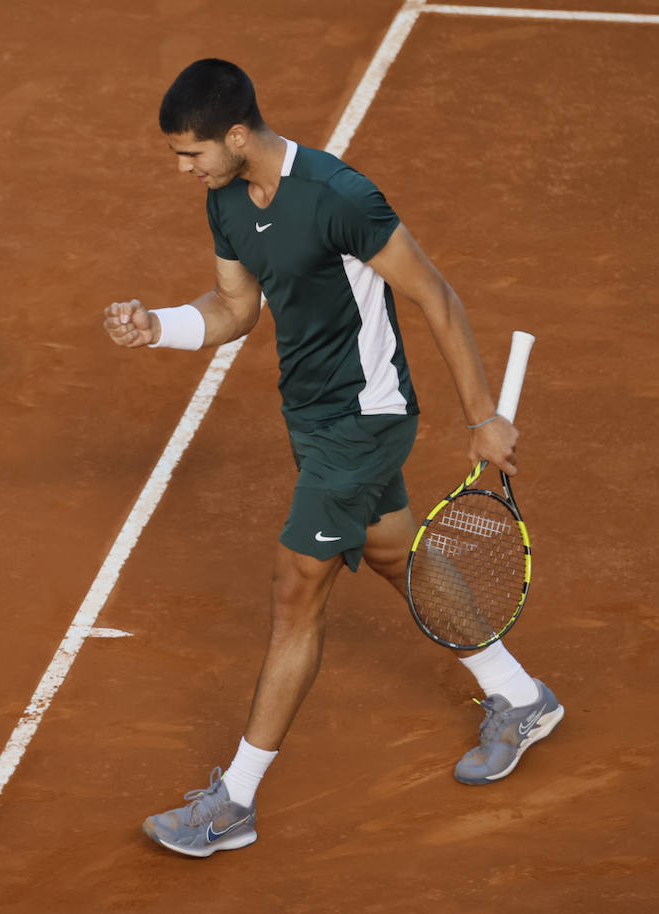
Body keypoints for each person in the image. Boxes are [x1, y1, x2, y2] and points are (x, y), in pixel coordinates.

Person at [102, 59, 563, 858]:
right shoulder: (226, 202)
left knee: (296, 592)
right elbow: (236, 309)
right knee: (394, 556)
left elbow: (436, 296)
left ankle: (233, 803)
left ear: (237, 135)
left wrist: (482, 416)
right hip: (312, 420)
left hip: (365, 420)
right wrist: (158, 324)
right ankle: (519, 696)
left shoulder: (341, 197)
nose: (184, 170)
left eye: (192, 153)